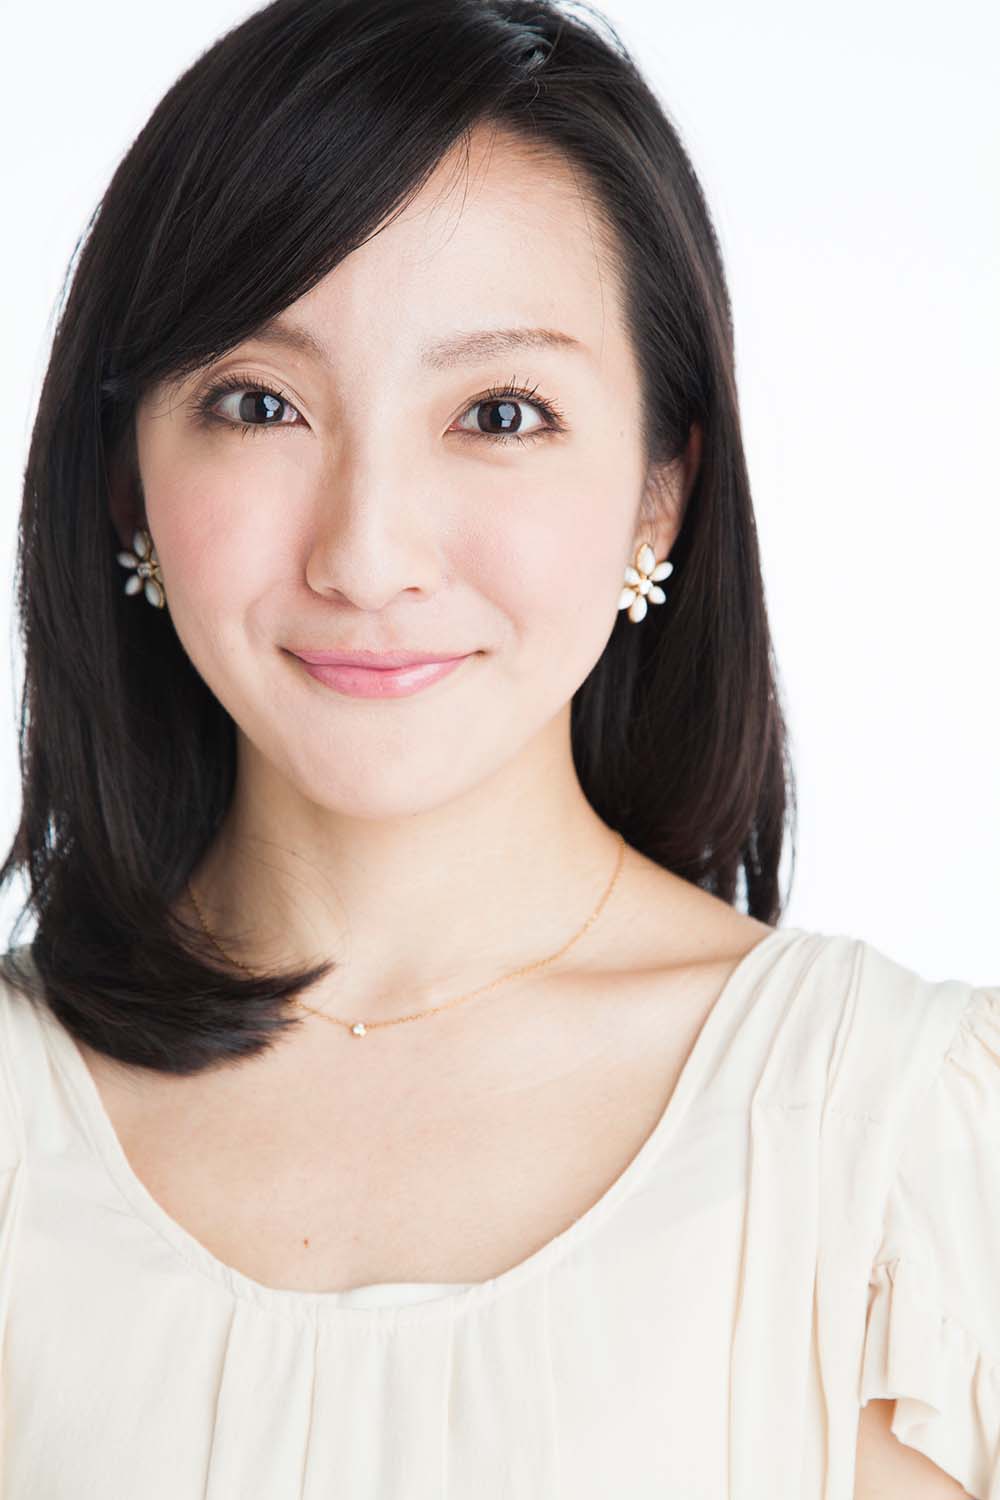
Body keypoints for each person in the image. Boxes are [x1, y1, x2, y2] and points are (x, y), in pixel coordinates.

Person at [0, 0, 995, 1495]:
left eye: (500, 414)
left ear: (660, 492)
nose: (367, 553)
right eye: (261, 403)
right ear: (128, 478)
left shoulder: (897, 1147)